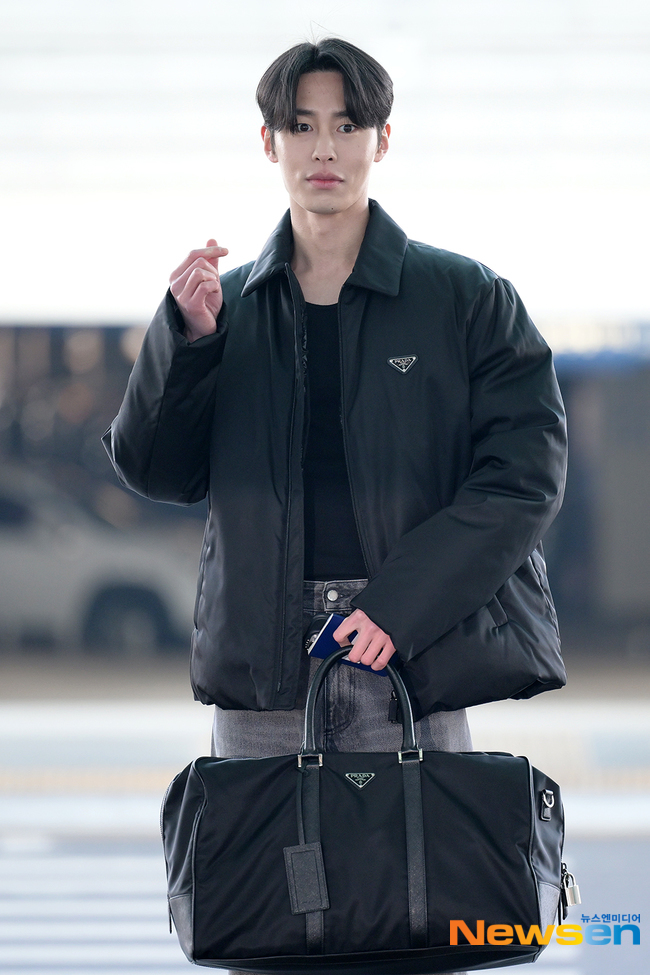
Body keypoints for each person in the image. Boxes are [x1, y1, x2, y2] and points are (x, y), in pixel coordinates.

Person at [103, 38, 566, 764]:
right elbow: (155, 470)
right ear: (269, 141)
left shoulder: (467, 299)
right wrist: (187, 341)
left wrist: (398, 607)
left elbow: (525, 477)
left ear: (383, 140)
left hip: (411, 648)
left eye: (348, 126)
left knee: (413, 874)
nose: (325, 147)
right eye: (302, 125)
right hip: (265, 656)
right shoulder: (225, 310)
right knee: (258, 875)